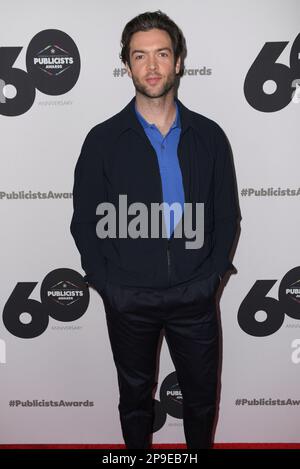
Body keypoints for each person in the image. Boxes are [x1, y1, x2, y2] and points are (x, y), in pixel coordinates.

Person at [70, 10, 239, 449]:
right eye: (139, 56)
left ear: (178, 61)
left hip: (194, 294)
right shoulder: (102, 140)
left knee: (202, 401)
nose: (151, 66)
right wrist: (108, 284)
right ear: (126, 65)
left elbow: (226, 216)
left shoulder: (210, 137)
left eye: (162, 54)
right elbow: (85, 221)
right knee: (134, 400)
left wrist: (213, 274)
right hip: (129, 297)